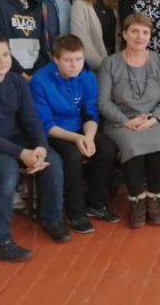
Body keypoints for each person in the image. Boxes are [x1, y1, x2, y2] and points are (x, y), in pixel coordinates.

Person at [0, 35, 68, 262]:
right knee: (6, 171)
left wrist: (40, 146)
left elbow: (31, 119)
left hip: (14, 139)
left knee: (53, 161)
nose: (2, 60)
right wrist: (21, 153)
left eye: (6, 54)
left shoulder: (17, 82)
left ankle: (52, 220)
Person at [30, 34, 119, 233]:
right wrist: (78, 139)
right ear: (56, 59)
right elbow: (45, 124)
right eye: (68, 60)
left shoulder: (87, 76)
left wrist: (88, 137)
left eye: (79, 59)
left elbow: (90, 112)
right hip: (55, 132)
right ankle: (75, 212)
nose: (75, 65)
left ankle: (96, 203)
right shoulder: (39, 81)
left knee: (107, 148)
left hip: (80, 126)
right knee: (72, 156)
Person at [98, 14, 160, 228]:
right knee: (132, 145)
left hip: (155, 119)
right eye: (134, 31)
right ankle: (137, 201)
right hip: (121, 122)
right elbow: (103, 102)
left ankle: (154, 200)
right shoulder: (110, 63)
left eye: (144, 32)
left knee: (159, 144)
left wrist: (154, 119)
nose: (139, 36)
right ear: (124, 34)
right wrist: (126, 121)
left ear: (150, 36)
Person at [71, 0, 120, 71]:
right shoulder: (80, 5)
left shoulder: (114, 4)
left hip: (116, 65)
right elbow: (82, 42)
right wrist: (105, 66)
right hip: (96, 68)